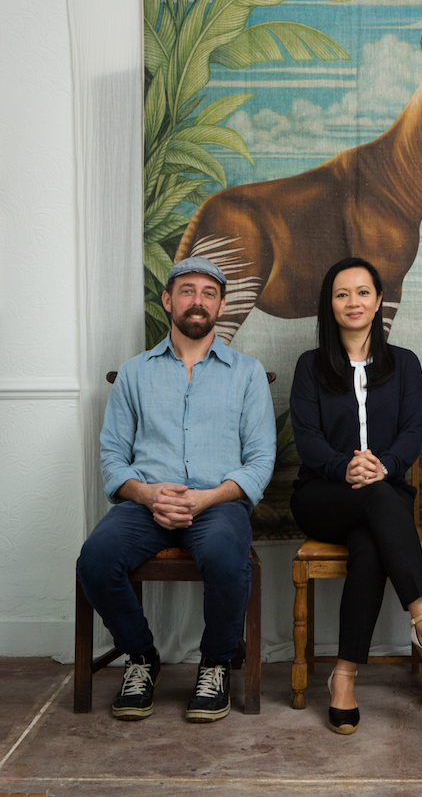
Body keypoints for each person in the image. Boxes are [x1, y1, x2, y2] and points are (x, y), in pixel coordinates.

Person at [77, 256, 276, 723]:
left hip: (217, 503)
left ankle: (216, 663)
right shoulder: (134, 373)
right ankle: (142, 657)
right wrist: (147, 495)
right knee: (96, 559)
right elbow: (112, 458)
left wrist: (206, 498)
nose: (198, 301)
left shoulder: (246, 373)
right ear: (168, 300)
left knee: (228, 556)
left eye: (209, 293)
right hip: (144, 504)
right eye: (187, 290)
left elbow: (260, 461)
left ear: (222, 305)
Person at [290, 256, 422, 735]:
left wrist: (385, 465)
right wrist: (345, 465)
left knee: (371, 542)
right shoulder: (310, 367)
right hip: (322, 496)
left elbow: (414, 432)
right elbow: (307, 439)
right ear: (329, 306)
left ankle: (344, 677)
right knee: (377, 498)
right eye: (342, 293)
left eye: (363, 292)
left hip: (381, 497)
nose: (354, 302)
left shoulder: (405, 364)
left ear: (378, 302)